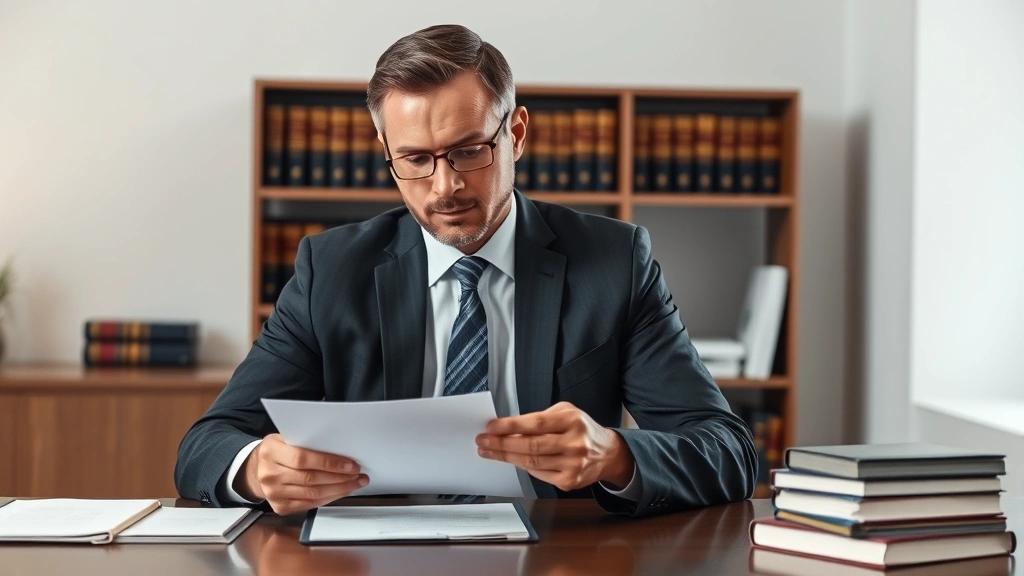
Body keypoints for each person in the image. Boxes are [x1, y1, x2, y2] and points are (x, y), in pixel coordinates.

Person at [175, 24, 756, 518]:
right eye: (416, 160)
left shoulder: (614, 261)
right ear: (386, 151)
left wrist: (616, 455)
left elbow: (728, 450)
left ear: (517, 135)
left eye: (470, 150)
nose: (446, 185)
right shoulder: (330, 269)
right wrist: (253, 469)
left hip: (554, 555)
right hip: (371, 558)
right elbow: (206, 444)